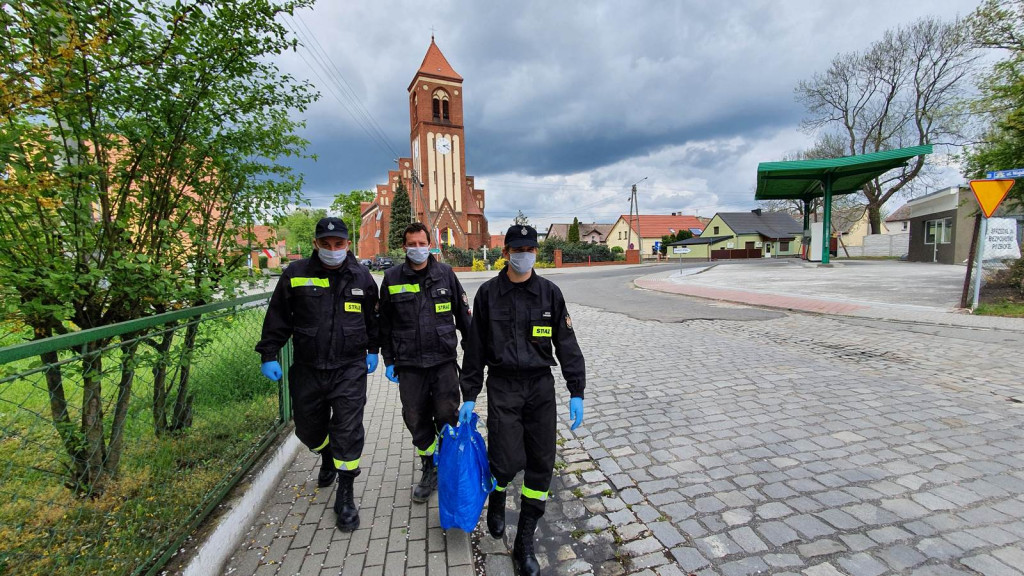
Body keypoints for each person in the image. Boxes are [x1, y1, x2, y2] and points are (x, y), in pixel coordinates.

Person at [459, 224, 586, 576]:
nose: (524, 255)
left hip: (539, 388)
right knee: (505, 458)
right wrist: (469, 393)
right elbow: (475, 349)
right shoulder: (488, 294)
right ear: (505, 253)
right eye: (517, 249)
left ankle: (525, 538)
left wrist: (576, 390)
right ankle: (497, 494)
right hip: (502, 386)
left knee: (541, 463)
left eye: (530, 249)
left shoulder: (549, 293)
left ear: (536, 253)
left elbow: (567, 344)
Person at [255, 216, 380, 532]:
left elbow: (373, 321)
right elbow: (278, 318)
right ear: (315, 244)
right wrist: (269, 353)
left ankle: (346, 494)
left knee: (348, 429)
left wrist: (374, 350)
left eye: (339, 244)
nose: (333, 250)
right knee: (308, 429)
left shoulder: (362, 278)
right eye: (326, 244)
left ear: (347, 245)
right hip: (308, 369)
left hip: (349, 368)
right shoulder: (295, 275)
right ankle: (326, 456)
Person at [378, 222, 472, 503]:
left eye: (422, 243)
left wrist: (474, 356)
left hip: (443, 361)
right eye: (412, 244)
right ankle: (428, 465)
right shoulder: (392, 278)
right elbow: (384, 323)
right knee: (415, 418)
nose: (417, 249)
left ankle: (446, 463)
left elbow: (464, 317)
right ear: (404, 246)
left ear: (430, 245)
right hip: (409, 365)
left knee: (447, 414)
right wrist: (388, 359)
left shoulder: (445, 274)